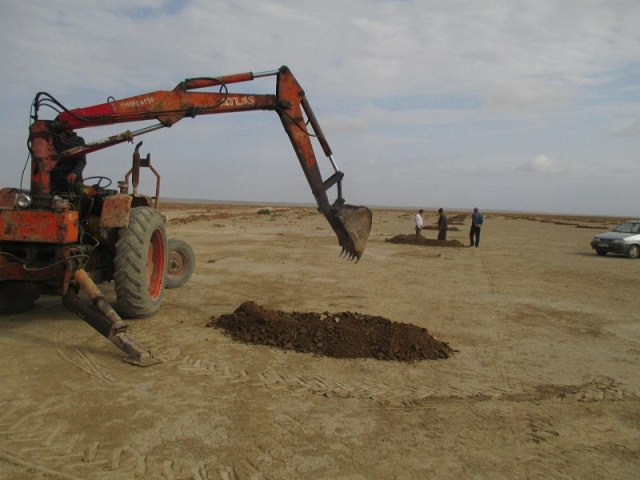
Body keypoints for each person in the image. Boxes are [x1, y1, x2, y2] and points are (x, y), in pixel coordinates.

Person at [51, 129, 86, 194]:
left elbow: (81, 161)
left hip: (73, 179)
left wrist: (75, 173)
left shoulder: (79, 140)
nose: (70, 128)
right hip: (55, 178)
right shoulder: (53, 140)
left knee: (79, 192)